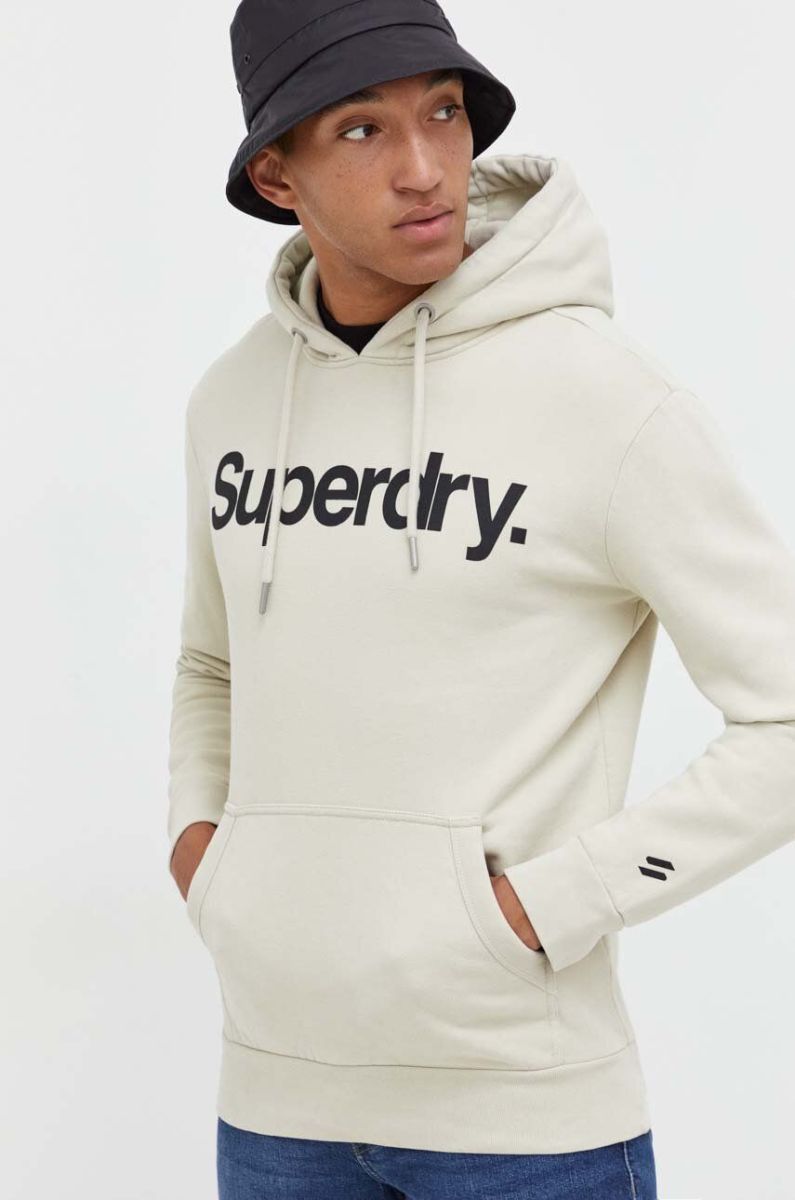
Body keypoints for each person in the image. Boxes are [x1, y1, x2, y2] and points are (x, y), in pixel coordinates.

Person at [166, 2, 795, 1198]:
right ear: (276, 176)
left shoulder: (607, 402)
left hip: (525, 1120)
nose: (425, 168)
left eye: (445, 114)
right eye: (361, 130)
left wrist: (550, 907)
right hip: (276, 1097)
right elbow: (211, 663)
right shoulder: (233, 401)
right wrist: (208, 851)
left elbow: (786, 715)